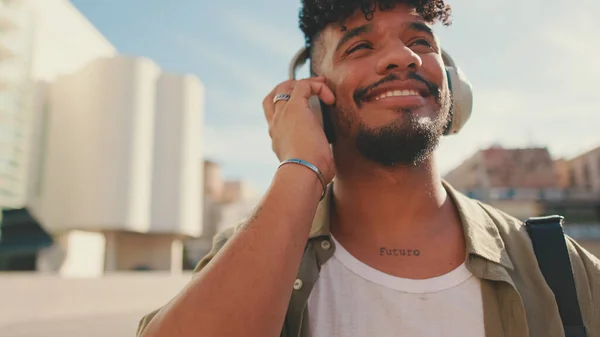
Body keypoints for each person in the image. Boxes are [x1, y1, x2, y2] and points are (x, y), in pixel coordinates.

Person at [136, 1, 600, 336]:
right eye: (359, 47)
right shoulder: (254, 254)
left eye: (420, 40)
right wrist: (300, 166)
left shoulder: (558, 266)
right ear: (314, 98)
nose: (405, 56)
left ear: (454, 87)